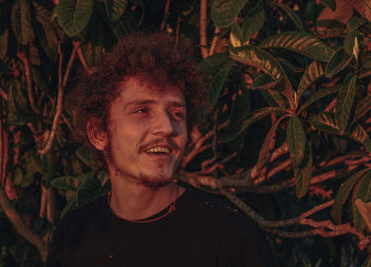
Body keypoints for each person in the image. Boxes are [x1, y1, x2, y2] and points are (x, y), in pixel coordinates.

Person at [46, 32, 274, 267]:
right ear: (98, 133)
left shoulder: (232, 238)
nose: (167, 127)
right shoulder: (74, 234)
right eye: (142, 110)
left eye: (177, 114)